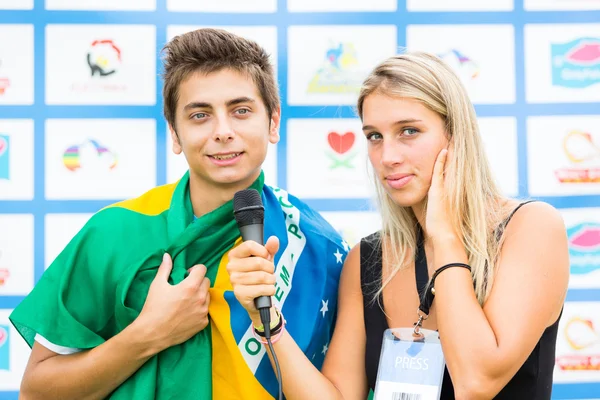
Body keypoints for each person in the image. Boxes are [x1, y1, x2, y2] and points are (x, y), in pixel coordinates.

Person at [10, 28, 347, 400]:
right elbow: (36, 392)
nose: (223, 132)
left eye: (241, 111)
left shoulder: (318, 245)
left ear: (273, 122)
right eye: (200, 115)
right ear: (174, 132)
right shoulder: (117, 232)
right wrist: (147, 334)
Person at [226, 51, 570, 399]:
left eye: (409, 131)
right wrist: (266, 322)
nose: (387, 156)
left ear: (456, 135)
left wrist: (444, 236)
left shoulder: (529, 228)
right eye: (374, 136)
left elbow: (476, 383)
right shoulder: (367, 258)